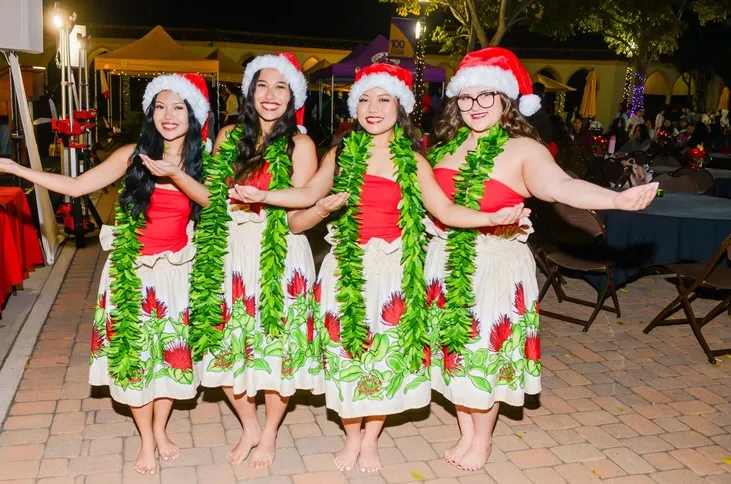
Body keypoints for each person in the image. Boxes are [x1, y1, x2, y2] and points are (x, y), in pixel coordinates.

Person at [229, 63, 530, 474]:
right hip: (344, 269)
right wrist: (268, 196)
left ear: (399, 107)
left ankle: (371, 439)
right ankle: (352, 436)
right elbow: (306, 197)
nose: (372, 108)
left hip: (393, 270)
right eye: (364, 99)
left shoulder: (414, 161)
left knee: (383, 359)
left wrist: (496, 219)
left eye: (383, 99)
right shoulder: (340, 152)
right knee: (345, 353)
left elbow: (445, 210)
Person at [423, 47, 658, 472]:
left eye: (486, 96)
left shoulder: (524, 150)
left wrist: (616, 199)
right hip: (443, 263)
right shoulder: (445, 148)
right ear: (455, 101)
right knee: (454, 350)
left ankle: (482, 439)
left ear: (505, 99)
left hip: (493, 265)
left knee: (484, 353)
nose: (474, 106)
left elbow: (562, 186)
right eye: (465, 97)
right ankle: (465, 431)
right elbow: (435, 203)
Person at [0, 74, 213, 475]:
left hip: (177, 273)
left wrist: (175, 174)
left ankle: (161, 428)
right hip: (131, 274)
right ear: (151, 112)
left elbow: (212, 202)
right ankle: (146, 438)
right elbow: (75, 186)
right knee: (135, 359)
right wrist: (18, 169)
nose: (168, 116)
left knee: (171, 358)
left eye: (178, 107)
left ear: (193, 115)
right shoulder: (131, 155)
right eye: (160, 106)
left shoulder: (203, 164)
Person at [190, 53, 322, 469]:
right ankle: (249, 424)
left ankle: (268, 433)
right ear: (250, 91)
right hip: (230, 250)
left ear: (292, 96)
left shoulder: (301, 144)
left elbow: (301, 212)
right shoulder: (229, 136)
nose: (270, 95)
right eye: (262, 85)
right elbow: (214, 197)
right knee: (224, 345)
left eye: (280, 87)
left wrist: (289, 203)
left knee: (275, 352)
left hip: (279, 254)